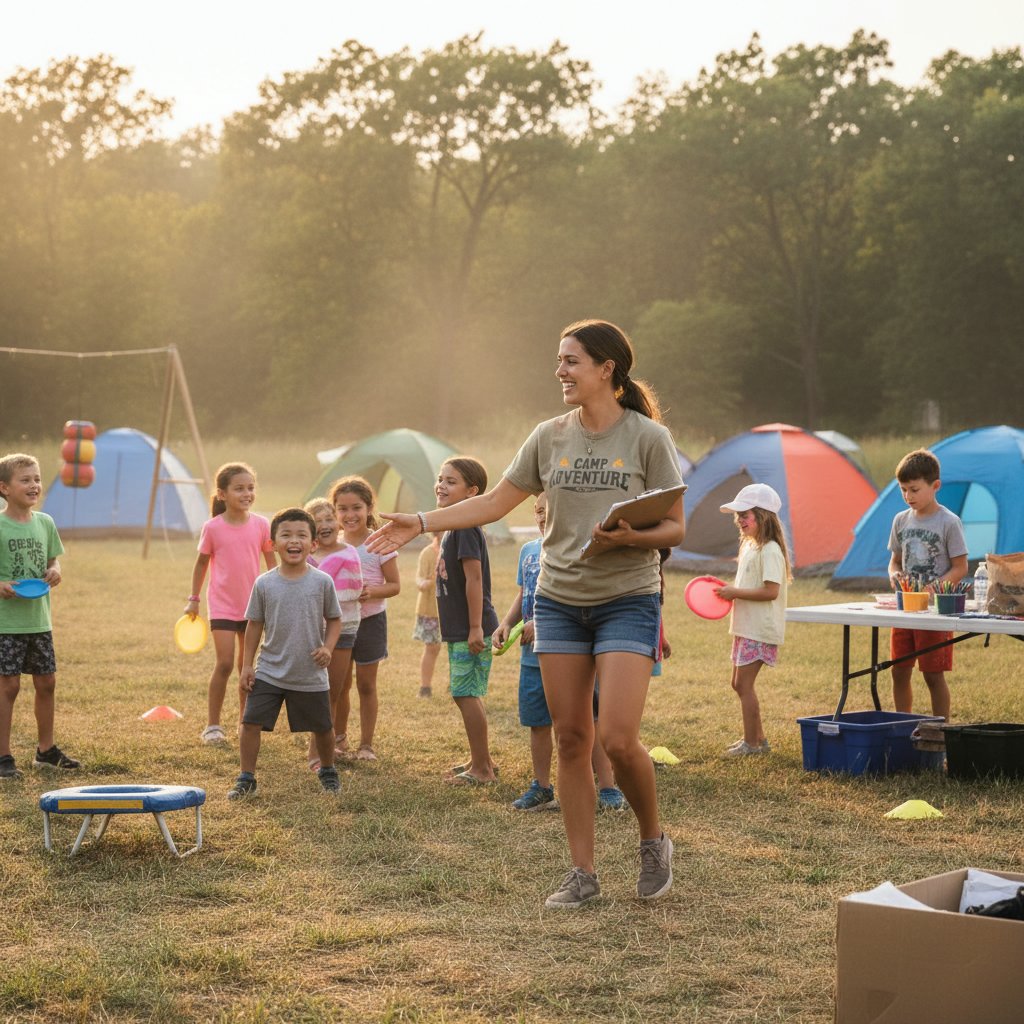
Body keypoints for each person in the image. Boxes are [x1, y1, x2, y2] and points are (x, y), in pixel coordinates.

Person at [368, 319, 684, 908]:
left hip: (627, 599)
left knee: (616, 739)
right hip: (560, 602)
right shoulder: (548, 436)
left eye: (571, 361)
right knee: (569, 738)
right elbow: (492, 502)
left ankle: (652, 839)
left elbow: (675, 527)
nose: (560, 371)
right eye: (558, 360)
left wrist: (623, 541)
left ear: (605, 369)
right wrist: (421, 521)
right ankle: (583, 873)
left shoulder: (647, 438)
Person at [228, 507, 343, 800]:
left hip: (309, 671)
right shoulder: (264, 583)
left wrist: (328, 648)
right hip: (270, 669)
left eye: (302, 535)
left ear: (313, 544)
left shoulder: (322, 582)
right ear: (273, 544)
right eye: (286, 535)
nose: (295, 540)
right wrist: (246, 666)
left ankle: (328, 770)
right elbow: (254, 625)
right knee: (251, 721)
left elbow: (335, 619)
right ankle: (246, 777)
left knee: (323, 726)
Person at [0, 453, 79, 779]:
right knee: (8, 687)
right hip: (6, 624)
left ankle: (46, 751)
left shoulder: (45, 522)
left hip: (39, 620)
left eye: (36, 479)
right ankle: (3, 756)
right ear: (4, 488)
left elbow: (53, 560)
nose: (34, 485)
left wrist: (54, 571)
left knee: (47, 683)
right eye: (25, 480)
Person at [185, 462, 276, 745]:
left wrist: (275, 597)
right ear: (222, 494)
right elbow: (201, 564)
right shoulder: (213, 527)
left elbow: (272, 563)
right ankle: (212, 726)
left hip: (254, 607)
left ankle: (244, 722)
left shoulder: (262, 525)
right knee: (224, 664)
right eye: (239, 488)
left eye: (250, 488)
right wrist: (194, 600)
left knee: (246, 667)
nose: (247, 493)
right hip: (223, 605)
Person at [887, 449, 968, 720]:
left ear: (935, 486)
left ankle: (940, 733)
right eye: (903, 490)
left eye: (914, 489)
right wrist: (894, 574)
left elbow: (960, 567)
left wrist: (933, 588)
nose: (908, 496)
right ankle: (902, 725)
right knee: (898, 670)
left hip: (936, 611)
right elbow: (895, 561)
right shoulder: (900, 520)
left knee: (933, 675)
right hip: (906, 610)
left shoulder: (949, 522)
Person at [435, 457, 500, 786]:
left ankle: (482, 770)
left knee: (465, 693)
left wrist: (475, 627)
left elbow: (475, 579)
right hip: (462, 627)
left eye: (451, 481)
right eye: (440, 479)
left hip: (471, 627)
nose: (441, 485)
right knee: (467, 691)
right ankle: (482, 759)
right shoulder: (453, 526)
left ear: (472, 492)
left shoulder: (465, 527)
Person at [714, 483, 792, 757]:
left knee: (744, 685)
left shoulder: (770, 550)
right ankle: (759, 739)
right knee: (738, 683)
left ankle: (752, 744)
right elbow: (749, 584)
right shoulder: (749, 546)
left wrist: (734, 592)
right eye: (738, 516)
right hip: (745, 627)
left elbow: (771, 591)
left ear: (763, 516)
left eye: (744, 515)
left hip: (759, 629)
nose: (739, 521)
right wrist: (731, 591)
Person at [495, 493, 557, 809]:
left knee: (581, 720)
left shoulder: (572, 548)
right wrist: (507, 622)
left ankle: (604, 786)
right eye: (538, 511)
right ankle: (542, 786)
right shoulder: (528, 551)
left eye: (550, 509)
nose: (543, 515)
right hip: (531, 656)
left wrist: (542, 624)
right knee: (538, 721)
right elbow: (524, 594)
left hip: (564, 651)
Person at [331, 476, 400, 761]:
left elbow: (395, 585)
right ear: (335, 511)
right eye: (342, 509)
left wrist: (371, 591)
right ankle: (339, 738)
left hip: (371, 622)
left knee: (366, 685)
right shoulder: (333, 546)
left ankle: (367, 745)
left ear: (369, 507)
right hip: (342, 624)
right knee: (341, 685)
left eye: (356, 508)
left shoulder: (380, 543)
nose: (349, 515)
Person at [303, 497, 362, 770]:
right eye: (317, 522)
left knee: (333, 691)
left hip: (344, 629)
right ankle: (316, 750)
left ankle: (321, 750)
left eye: (329, 519)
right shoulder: (306, 557)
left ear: (337, 523)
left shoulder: (349, 553)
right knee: (315, 690)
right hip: (312, 630)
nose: (325, 525)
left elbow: (352, 593)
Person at [412, 532, 442, 698]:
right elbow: (420, 579)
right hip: (430, 609)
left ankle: (456, 685)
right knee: (432, 648)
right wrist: (427, 582)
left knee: (457, 649)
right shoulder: (428, 553)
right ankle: (425, 687)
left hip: (453, 610)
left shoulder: (457, 551)